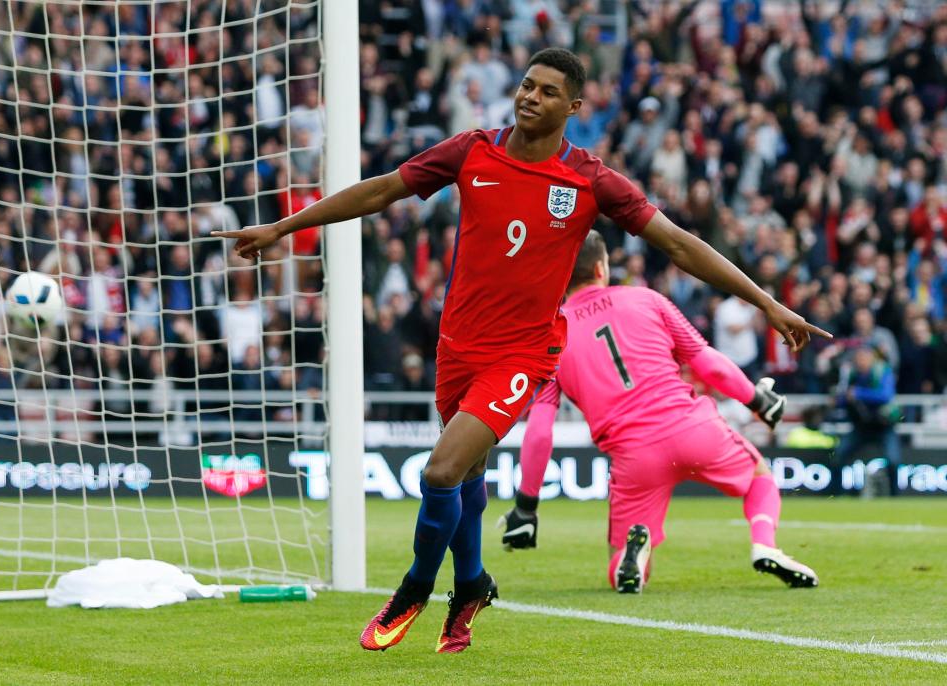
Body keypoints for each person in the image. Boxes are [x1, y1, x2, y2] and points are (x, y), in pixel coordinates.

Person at [214, 49, 829, 652]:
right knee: (470, 478)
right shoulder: (472, 149)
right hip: (457, 346)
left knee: (441, 470)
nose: (530, 96)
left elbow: (680, 245)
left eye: (547, 91)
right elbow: (380, 192)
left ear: (574, 106)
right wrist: (283, 228)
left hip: (521, 356)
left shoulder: (590, 180)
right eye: (527, 85)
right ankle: (473, 584)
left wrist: (766, 302)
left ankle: (415, 588)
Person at [500, 231, 819, 593]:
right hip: (693, 428)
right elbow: (707, 364)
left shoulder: (551, 337)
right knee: (760, 476)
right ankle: (764, 544)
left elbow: (540, 429)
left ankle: (630, 555)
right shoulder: (646, 299)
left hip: (634, 456)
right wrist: (757, 401)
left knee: (619, 563)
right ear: (602, 268)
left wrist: (526, 506)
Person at [834, 345, 902, 496]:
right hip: (861, 427)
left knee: (893, 460)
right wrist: (842, 397)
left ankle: (895, 496)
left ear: (872, 358)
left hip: (883, 426)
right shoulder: (851, 374)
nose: (861, 362)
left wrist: (859, 393)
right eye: (858, 358)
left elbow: (886, 395)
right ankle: (836, 495)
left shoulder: (882, 371)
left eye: (864, 358)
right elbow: (841, 398)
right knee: (838, 454)